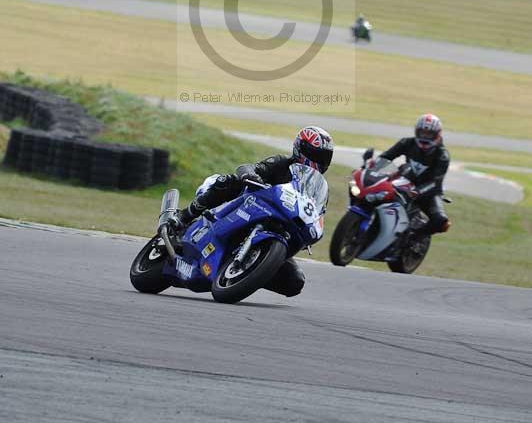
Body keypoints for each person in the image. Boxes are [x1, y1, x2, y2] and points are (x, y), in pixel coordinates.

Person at [169, 126, 334, 297]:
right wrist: (251, 175)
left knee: (295, 282)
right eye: (315, 155)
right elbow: (248, 168)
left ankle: (250, 271)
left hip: (281, 230)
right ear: (300, 148)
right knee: (228, 181)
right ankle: (183, 217)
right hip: (250, 205)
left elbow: (318, 212)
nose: (319, 161)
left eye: (323, 158)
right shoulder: (281, 163)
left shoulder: (317, 188)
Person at [371, 113, 450, 236]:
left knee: (441, 221)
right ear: (416, 131)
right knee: (377, 193)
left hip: (429, 193)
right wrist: (372, 167)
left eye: (429, 134)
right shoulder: (407, 142)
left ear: (437, 134)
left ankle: (413, 236)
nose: (425, 137)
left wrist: (417, 192)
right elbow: (386, 157)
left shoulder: (442, 156)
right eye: (422, 133)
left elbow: (435, 182)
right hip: (406, 181)